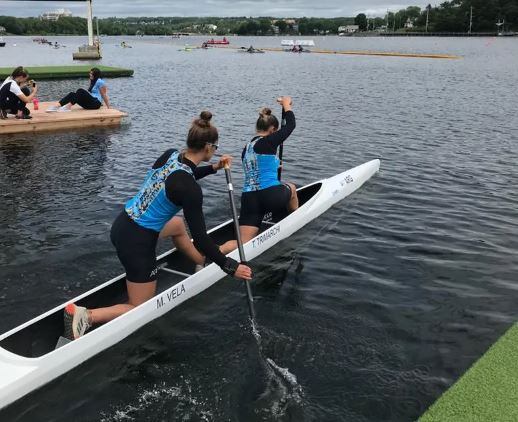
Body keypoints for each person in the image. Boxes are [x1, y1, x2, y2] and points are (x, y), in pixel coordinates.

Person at [64, 111, 253, 340]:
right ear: (208, 147)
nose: (216, 150)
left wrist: (214, 168)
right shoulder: (191, 190)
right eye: (216, 146)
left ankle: (199, 262)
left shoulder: (170, 155)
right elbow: (202, 238)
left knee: (176, 224)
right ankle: (87, 316)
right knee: (140, 305)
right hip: (137, 241)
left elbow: (184, 177)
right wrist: (230, 267)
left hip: (123, 224)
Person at [220, 97, 298, 254]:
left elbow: (257, 167)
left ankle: (217, 251)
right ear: (272, 130)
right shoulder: (268, 141)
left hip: (249, 199)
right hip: (270, 195)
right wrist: (286, 106)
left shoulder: (247, 147)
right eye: (275, 133)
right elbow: (291, 126)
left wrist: (276, 164)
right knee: (292, 188)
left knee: (243, 242)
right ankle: (296, 220)